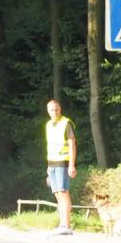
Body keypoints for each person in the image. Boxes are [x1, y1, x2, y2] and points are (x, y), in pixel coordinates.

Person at [45, 100, 77, 235]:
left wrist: (71, 165)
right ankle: (62, 223)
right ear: (48, 111)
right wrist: (48, 166)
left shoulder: (66, 123)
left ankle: (66, 225)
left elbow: (72, 145)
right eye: (52, 110)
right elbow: (50, 145)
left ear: (60, 109)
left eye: (56, 109)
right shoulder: (48, 125)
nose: (54, 112)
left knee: (64, 192)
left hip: (63, 162)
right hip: (52, 163)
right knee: (57, 193)